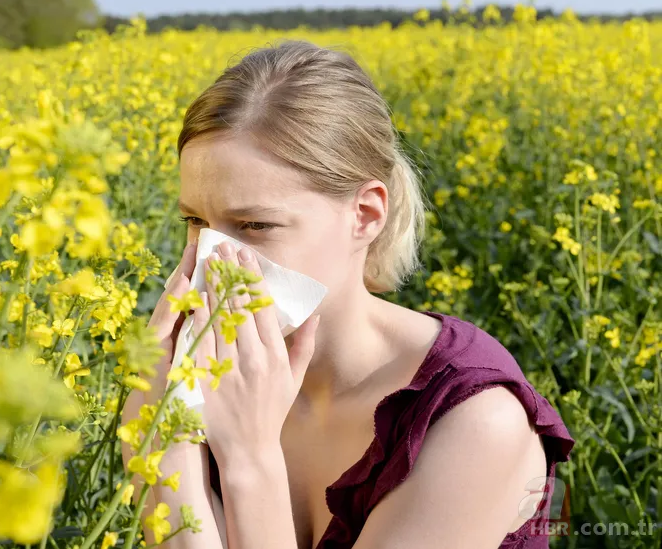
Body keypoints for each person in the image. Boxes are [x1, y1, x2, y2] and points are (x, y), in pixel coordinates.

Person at [121, 40, 575, 549]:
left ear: (365, 215)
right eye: (196, 222)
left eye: (255, 225)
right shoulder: (206, 377)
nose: (214, 259)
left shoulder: (469, 419)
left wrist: (249, 460)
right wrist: (165, 440)